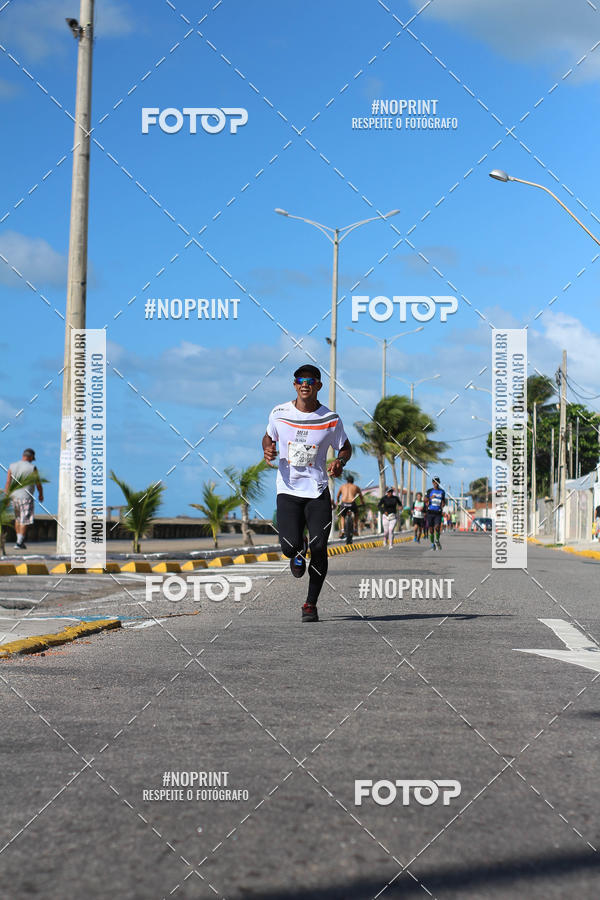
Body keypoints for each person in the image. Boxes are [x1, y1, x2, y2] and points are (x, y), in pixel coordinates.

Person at [262, 364, 351, 623]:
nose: (305, 384)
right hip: (288, 490)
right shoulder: (279, 413)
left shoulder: (330, 419)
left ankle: (310, 604)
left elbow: (345, 447)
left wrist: (340, 461)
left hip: (317, 491)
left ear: (318, 386)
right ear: (294, 385)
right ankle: (298, 550)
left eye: (310, 381)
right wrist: (268, 449)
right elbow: (268, 437)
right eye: (300, 380)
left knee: (320, 546)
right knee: (289, 548)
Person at [5, 448, 43, 550]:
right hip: (26, 497)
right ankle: (19, 543)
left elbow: (8, 482)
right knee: (24, 520)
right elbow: (38, 482)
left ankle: (19, 541)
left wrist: (7, 497)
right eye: (32, 458)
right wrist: (41, 494)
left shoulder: (12, 466)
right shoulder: (32, 467)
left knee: (18, 519)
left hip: (14, 497)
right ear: (31, 457)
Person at [336, 474, 363, 540]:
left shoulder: (342, 486)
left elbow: (338, 495)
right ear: (353, 481)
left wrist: (338, 501)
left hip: (344, 503)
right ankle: (355, 529)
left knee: (342, 516)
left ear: (347, 481)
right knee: (356, 514)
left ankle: (342, 530)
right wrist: (362, 502)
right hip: (352, 503)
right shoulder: (356, 487)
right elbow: (360, 496)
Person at [425, 475, 446, 551]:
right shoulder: (429, 491)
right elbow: (425, 500)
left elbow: (443, 501)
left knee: (437, 527)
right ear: (432, 482)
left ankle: (437, 540)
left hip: (438, 512)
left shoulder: (442, 492)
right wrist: (430, 498)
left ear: (439, 483)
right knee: (431, 529)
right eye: (434, 482)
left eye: (437, 482)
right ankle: (432, 544)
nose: (435, 483)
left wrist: (443, 505)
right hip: (430, 512)